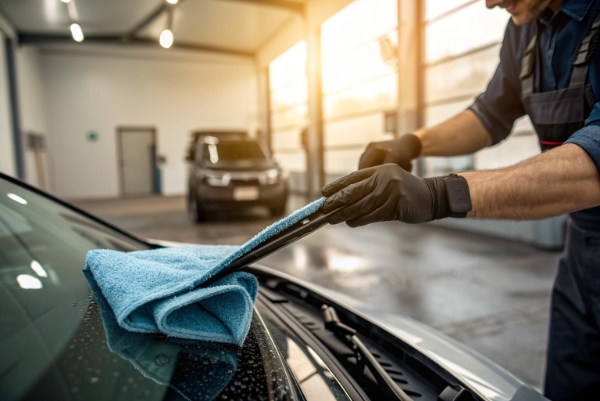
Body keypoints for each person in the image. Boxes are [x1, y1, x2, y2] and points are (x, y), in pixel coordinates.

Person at [321, 0, 600, 399]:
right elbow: (490, 113)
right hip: (582, 248)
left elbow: (596, 162)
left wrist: (438, 194)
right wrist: (412, 143)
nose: (488, 3)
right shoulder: (526, 25)